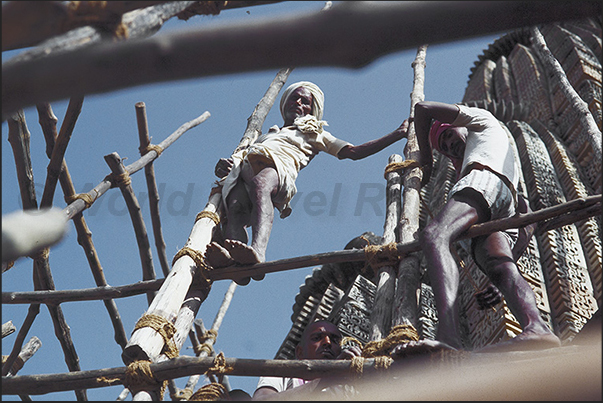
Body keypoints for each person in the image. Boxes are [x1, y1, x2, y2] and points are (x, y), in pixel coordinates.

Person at [206, 81, 409, 274]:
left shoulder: (313, 132)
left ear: (311, 110)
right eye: (294, 98)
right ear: (285, 103)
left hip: (278, 171)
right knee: (235, 207)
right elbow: (239, 158)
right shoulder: (268, 134)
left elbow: (353, 151)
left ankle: (258, 251)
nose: (298, 103)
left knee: (262, 185)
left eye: (305, 102)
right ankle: (237, 266)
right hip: (245, 171)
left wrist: (397, 134)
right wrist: (227, 165)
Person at [413, 100, 561, 352]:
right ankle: (536, 326)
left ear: (461, 125)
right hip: (503, 203)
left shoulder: (479, 120)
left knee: (434, 236)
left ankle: (447, 336)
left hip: (485, 183)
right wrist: (505, 265)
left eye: (448, 134)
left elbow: (422, 108)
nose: (449, 145)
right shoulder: (486, 154)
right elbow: (526, 220)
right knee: (500, 268)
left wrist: (426, 159)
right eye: (443, 147)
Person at [252, 319, 362, 400]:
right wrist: (325, 380)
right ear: (300, 352)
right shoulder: (280, 373)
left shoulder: (348, 390)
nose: (327, 342)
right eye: (317, 338)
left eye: (334, 340)